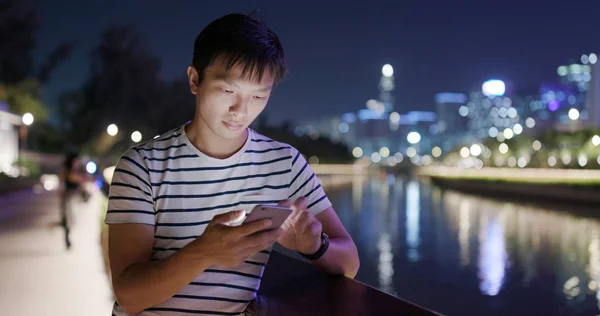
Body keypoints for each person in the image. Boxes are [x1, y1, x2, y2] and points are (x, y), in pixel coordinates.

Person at [106, 13, 360, 316]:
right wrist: (203, 252)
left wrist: (314, 245)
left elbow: (350, 263)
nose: (241, 110)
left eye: (258, 96)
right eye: (228, 91)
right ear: (194, 79)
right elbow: (129, 295)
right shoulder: (142, 166)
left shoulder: (284, 163)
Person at [59, 152, 91, 249]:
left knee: (70, 219)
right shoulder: (68, 171)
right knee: (69, 218)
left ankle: (67, 237)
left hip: (73, 197)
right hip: (69, 197)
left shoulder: (75, 170)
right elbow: (78, 180)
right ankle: (67, 238)